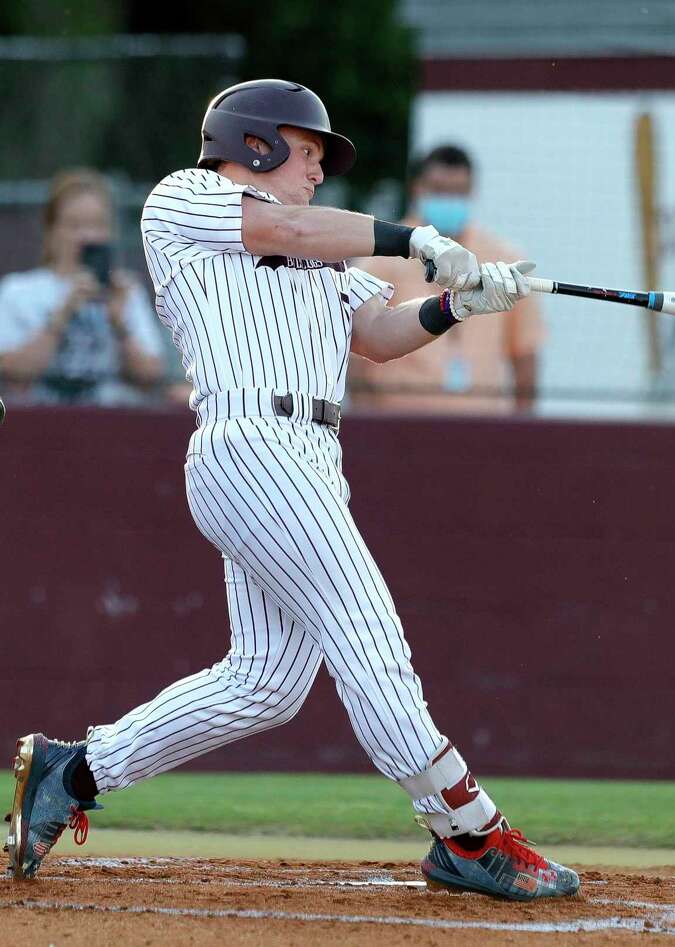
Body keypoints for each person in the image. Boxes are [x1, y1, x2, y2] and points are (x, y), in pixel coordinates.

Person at [4, 79, 578, 901]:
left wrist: (457, 304)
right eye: (308, 153)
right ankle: (468, 831)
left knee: (265, 682)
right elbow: (285, 226)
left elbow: (377, 335)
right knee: (368, 636)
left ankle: (73, 772)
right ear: (257, 144)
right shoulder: (187, 198)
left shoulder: (325, 253)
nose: (317, 172)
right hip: (252, 440)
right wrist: (415, 236)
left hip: (309, 453)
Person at [352, 144, 544, 414]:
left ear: (472, 192)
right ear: (417, 188)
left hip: (483, 425)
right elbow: (357, 354)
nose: (449, 200)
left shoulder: (504, 259)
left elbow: (525, 353)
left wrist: (520, 428)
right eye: (439, 190)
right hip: (401, 424)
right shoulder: (382, 258)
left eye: (458, 192)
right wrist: (370, 428)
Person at [0, 169, 165, 404]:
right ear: (51, 230)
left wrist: (120, 325)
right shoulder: (19, 291)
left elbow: (151, 375)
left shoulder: (125, 292)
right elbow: (11, 371)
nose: (87, 236)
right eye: (74, 225)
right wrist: (61, 315)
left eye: (97, 225)